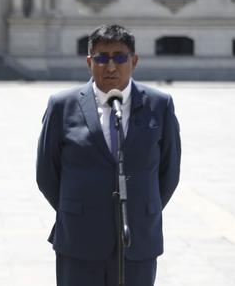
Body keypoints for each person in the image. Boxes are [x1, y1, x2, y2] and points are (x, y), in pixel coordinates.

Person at [36, 24, 181, 286]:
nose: (110, 67)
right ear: (89, 62)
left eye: (120, 57)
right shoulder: (62, 105)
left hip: (138, 239)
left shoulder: (159, 104)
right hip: (79, 240)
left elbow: (168, 173)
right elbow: (47, 173)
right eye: (102, 58)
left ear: (134, 61)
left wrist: (141, 208)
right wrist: (80, 210)